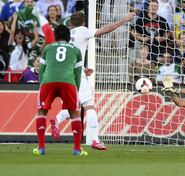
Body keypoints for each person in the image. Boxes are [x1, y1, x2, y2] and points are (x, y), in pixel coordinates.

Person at [51, 11, 135, 150]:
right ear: (83, 23)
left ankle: (57, 119)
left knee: (75, 107)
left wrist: (83, 68)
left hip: (64, 74)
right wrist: (124, 20)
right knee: (89, 106)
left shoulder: (66, 36)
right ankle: (95, 139)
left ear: (70, 24)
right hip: (77, 75)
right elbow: (107, 29)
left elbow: (67, 58)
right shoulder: (83, 31)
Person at [33, 24, 85, 156]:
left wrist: (42, 84)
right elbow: (77, 73)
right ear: (69, 37)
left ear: (55, 37)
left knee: (42, 112)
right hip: (68, 82)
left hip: (48, 81)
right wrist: (76, 89)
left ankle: (41, 148)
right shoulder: (76, 50)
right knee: (74, 113)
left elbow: (42, 69)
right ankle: (77, 149)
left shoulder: (48, 48)